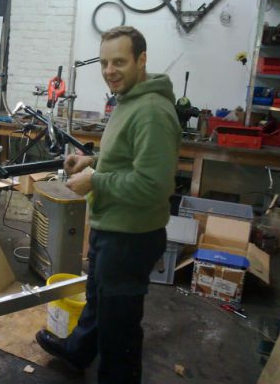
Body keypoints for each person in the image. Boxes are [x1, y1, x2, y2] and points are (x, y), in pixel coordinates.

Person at [35, 26, 181, 383]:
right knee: (99, 299)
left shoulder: (151, 112)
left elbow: (154, 185)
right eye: (104, 63)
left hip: (131, 236)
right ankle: (79, 350)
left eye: (119, 62)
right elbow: (126, 157)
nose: (109, 70)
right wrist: (93, 161)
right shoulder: (129, 100)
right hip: (112, 226)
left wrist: (94, 181)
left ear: (141, 60)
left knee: (120, 327)